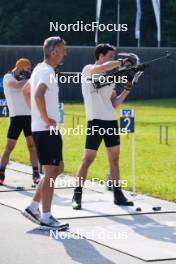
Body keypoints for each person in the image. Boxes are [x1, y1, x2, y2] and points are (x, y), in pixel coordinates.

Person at [72, 43, 134, 210]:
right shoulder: (88, 70)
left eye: (115, 58)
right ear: (100, 56)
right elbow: (105, 67)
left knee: (114, 160)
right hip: (96, 122)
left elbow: (113, 103)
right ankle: (77, 195)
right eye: (111, 57)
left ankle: (118, 195)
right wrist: (122, 63)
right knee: (88, 160)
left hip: (111, 121)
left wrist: (127, 89)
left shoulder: (110, 77)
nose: (113, 60)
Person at [22, 36, 69, 230]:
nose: (66, 53)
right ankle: (47, 217)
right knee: (51, 172)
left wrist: (37, 115)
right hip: (46, 129)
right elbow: (37, 94)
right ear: (53, 52)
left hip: (43, 128)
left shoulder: (39, 70)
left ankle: (33, 207)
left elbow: (26, 91)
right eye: (64, 49)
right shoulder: (47, 71)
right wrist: (44, 118)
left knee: (58, 168)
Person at [0, 58, 40, 185]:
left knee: (32, 147)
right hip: (16, 118)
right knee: (9, 148)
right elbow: (16, 85)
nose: (29, 71)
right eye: (27, 68)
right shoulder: (8, 77)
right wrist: (31, 79)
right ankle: (1, 172)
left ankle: (35, 173)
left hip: (29, 117)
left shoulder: (27, 81)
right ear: (21, 67)